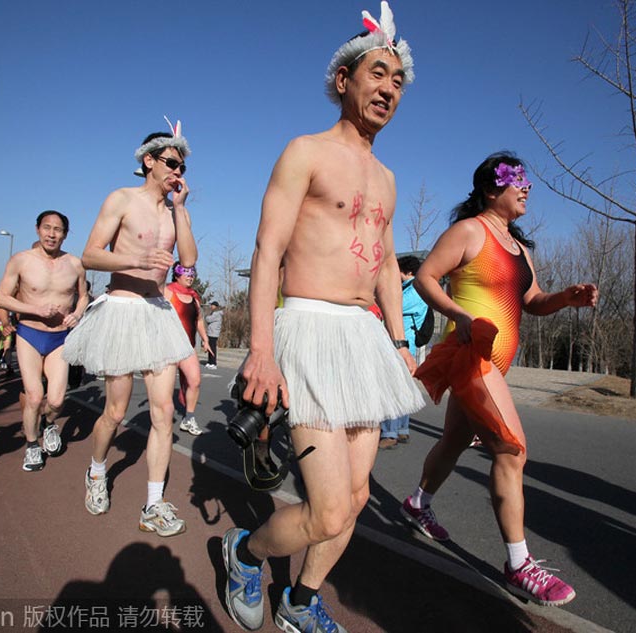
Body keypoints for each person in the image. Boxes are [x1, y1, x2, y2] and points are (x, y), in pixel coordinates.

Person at [221, 4, 423, 630]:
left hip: (364, 337)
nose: (388, 88)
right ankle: (244, 552)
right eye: (377, 73)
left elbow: (388, 267)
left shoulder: (388, 178)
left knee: (356, 499)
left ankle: (301, 601)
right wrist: (262, 347)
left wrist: (397, 341)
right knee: (329, 509)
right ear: (343, 80)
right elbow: (267, 251)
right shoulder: (304, 151)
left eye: (398, 80)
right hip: (306, 327)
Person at [400, 152, 598, 608]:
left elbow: (531, 300)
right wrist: (458, 314)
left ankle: (417, 503)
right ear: (492, 189)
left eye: (527, 182)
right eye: (518, 181)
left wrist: (566, 298)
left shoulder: (520, 248)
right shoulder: (471, 231)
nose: (527, 189)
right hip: (473, 358)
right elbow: (428, 277)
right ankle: (518, 563)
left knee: (452, 441)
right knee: (511, 449)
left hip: (497, 365)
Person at [63, 119, 198, 537]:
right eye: (172, 163)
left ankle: (153, 505)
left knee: (165, 413)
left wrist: (180, 207)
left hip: (158, 314)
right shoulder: (121, 198)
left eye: (183, 167)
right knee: (116, 412)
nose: (178, 172)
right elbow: (89, 255)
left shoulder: (174, 210)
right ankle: (97, 470)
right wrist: (136, 262)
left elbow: (188, 260)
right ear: (148, 161)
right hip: (121, 310)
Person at [0, 211, 87, 472]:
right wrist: (35, 310)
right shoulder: (21, 260)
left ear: (65, 234)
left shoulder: (75, 263)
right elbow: (2, 298)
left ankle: (48, 425)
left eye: (58, 229)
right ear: (37, 229)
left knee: (56, 400)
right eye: (47, 228)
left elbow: (83, 294)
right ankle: (32, 445)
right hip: (30, 333)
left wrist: (78, 314)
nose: (51, 234)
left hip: (60, 336)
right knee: (35, 396)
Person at [379, 254, 427, 449]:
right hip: (405, 345)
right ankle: (402, 430)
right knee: (402, 387)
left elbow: (391, 305)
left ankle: (390, 433)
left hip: (399, 345)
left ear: (407, 272)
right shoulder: (413, 288)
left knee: (391, 388)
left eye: (397, 271)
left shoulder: (413, 290)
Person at [165, 262, 210, 436]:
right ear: (177, 274)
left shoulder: (194, 296)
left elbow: (198, 320)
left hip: (188, 348)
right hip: (168, 347)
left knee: (195, 381)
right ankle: (162, 418)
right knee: (165, 388)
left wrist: (205, 340)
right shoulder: (167, 291)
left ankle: (188, 418)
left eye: (192, 273)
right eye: (186, 273)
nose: (190, 276)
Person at [204, 301, 223, 369]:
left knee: (213, 348)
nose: (211, 306)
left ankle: (213, 363)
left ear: (216, 306)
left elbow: (208, 319)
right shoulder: (213, 313)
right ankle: (209, 362)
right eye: (211, 305)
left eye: (212, 305)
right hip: (210, 333)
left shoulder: (217, 314)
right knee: (209, 348)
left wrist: (207, 317)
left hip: (214, 334)